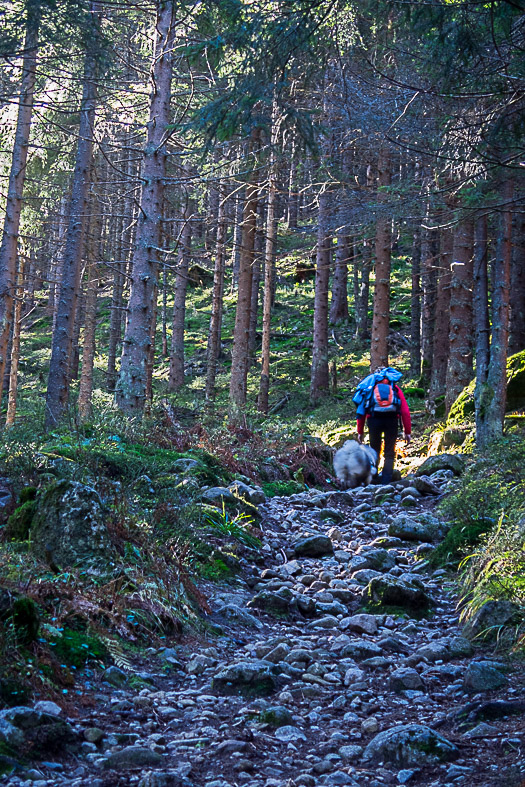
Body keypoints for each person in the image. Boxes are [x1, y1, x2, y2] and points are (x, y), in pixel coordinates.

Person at [356, 368, 411, 484]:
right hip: (391, 421)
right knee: (390, 452)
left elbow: (361, 411)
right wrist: (407, 431)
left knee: (374, 450)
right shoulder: (394, 388)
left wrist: (360, 432)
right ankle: (386, 481)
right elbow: (405, 411)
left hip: (374, 420)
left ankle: (373, 478)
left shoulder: (370, 389)